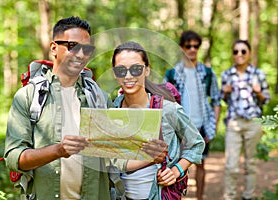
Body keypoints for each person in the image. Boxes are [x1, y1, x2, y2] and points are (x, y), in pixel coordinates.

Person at [4, 16, 115, 200]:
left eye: (86, 49)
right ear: (54, 48)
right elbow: (14, 158)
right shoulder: (28, 96)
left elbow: (117, 155)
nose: (81, 55)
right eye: (72, 46)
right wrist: (58, 151)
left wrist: (149, 154)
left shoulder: (100, 99)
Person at [111, 41, 205, 200]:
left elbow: (196, 144)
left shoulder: (167, 109)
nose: (128, 75)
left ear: (147, 69)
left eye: (136, 68)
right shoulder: (112, 111)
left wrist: (176, 171)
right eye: (121, 70)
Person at [164, 30, 221, 200]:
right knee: (178, 165)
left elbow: (216, 100)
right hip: (179, 127)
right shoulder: (172, 74)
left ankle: (200, 197)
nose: (192, 49)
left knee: (201, 164)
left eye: (196, 46)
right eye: (188, 46)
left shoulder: (208, 73)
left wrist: (214, 126)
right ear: (182, 47)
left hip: (202, 125)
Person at [221, 40, 270, 200]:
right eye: (236, 51)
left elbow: (266, 100)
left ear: (249, 53)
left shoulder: (258, 74)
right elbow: (224, 100)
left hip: (253, 124)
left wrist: (259, 92)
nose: (239, 54)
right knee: (231, 166)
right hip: (234, 122)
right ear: (232, 54)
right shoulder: (226, 75)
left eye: (243, 51)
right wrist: (225, 93)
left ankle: (248, 196)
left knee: (251, 164)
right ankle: (229, 196)